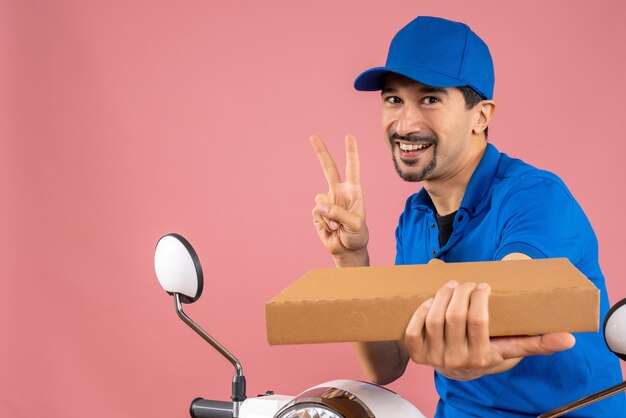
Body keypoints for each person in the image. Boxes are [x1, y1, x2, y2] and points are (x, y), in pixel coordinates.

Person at [310, 16, 626, 417]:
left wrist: (473, 352)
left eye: (430, 99)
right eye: (393, 99)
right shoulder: (414, 218)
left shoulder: (536, 197)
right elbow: (385, 364)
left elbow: (516, 309)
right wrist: (352, 259)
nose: (405, 123)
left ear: (481, 116)